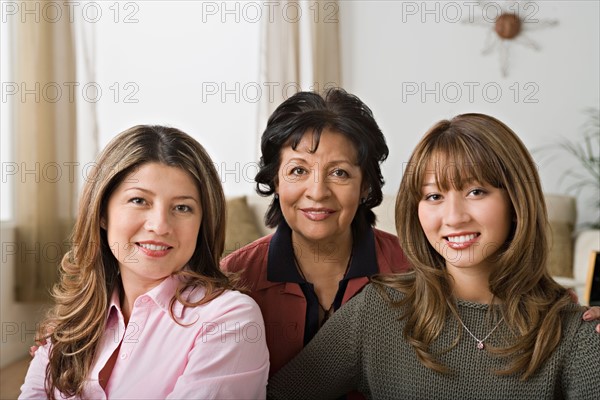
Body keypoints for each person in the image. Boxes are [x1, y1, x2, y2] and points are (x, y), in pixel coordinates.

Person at [267, 113, 600, 399]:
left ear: (516, 201)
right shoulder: (379, 309)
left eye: (476, 191)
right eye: (434, 195)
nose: (453, 217)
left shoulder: (572, 329)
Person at [20, 125, 269, 399]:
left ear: (203, 223)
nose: (160, 225)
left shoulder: (230, 319)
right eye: (139, 200)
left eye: (182, 207)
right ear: (102, 213)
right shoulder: (73, 322)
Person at [221, 88, 411, 377]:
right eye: (299, 171)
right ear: (275, 179)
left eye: (340, 173)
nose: (318, 192)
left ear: (366, 187)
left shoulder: (411, 271)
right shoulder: (234, 278)